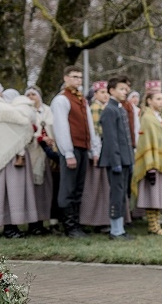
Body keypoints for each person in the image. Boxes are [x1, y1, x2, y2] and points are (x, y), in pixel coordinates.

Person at [0, 79, 39, 238]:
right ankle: (10, 228)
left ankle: (12, 226)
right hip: (5, 156)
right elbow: (23, 121)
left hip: (3, 154)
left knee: (9, 192)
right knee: (9, 192)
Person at [51, 65, 96, 238]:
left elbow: (89, 125)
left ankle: (76, 224)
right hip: (71, 148)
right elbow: (61, 128)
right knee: (67, 188)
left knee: (78, 188)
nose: (78, 80)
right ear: (66, 78)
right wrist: (68, 152)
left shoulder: (81, 100)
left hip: (83, 147)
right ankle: (69, 226)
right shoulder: (61, 99)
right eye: (74, 77)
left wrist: (92, 147)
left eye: (80, 77)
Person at [132, 82, 162, 236]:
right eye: (158, 99)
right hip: (152, 162)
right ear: (149, 100)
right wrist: (150, 164)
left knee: (159, 194)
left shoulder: (161, 117)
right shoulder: (147, 117)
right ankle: (152, 225)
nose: (161, 102)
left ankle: (156, 223)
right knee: (152, 194)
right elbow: (146, 141)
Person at [99, 75, 135, 240]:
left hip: (125, 159)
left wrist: (129, 159)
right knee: (116, 194)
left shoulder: (120, 108)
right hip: (116, 161)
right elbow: (111, 140)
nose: (125, 92)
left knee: (122, 195)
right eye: (121, 89)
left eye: (126, 89)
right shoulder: (109, 110)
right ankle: (115, 230)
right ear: (111, 90)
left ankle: (120, 228)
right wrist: (116, 162)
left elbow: (125, 139)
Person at [24, 85, 56, 235]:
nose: (31, 97)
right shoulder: (23, 111)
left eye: (34, 94)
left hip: (47, 153)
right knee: (33, 188)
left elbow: (53, 126)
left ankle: (43, 221)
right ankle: (33, 224)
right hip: (32, 153)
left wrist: (50, 139)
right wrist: (40, 137)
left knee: (45, 188)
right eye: (28, 94)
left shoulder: (47, 110)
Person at [79, 81, 110, 231]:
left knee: (103, 187)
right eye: (102, 92)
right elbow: (96, 132)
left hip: (104, 151)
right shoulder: (96, 108)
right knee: (96, 187)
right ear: (95, 94)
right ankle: (95, 220)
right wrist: (95, 152)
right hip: (99, 152)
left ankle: (101, 219)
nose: (106, 95)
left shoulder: (104, 107)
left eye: (107, 92)